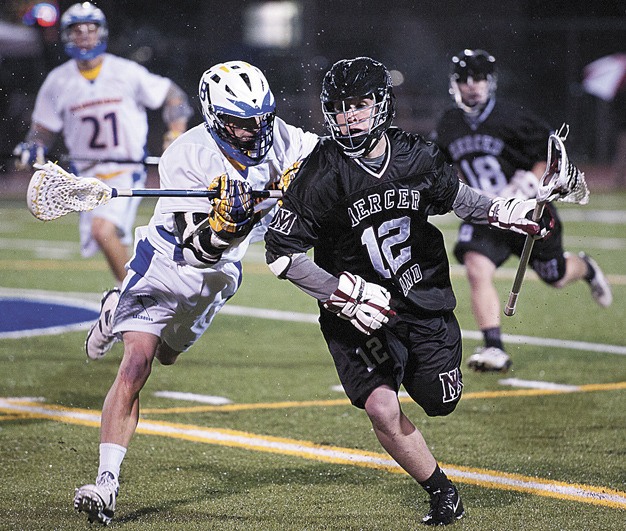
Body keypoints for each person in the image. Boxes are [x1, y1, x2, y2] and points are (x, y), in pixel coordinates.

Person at [264, 57, 553, 526]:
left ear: (381, 104)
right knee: (381, 404)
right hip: (357, 312)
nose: (348, 117)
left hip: (422, 298)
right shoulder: (319, 173)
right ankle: (441, 492)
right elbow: (281, 255)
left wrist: (499, 210)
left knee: (440, 401)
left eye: (358, 106)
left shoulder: (415, 153)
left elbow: (455, 197)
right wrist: (341, 294)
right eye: (338, 108)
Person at [73, 60, 318, 525]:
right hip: (168, 262)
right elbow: (199, 248)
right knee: (138, 362)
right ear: (213, 115)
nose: (253, 131)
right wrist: (231, 220)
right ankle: (106, 483)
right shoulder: (186, 155)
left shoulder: (280, 135)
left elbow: (327, 158)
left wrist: (307, 178)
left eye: (259, 119)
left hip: (219, 277)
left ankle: (112, 307)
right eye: (240, 123)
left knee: (167, 355)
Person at [431, 49, 613, 373]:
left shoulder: (511, 117)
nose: (470, 86)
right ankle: (493, 347)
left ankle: (584, 267)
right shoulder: (449, 123)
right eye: (463, 79)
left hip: (528, 212)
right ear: (453, 84)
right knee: (476, 266)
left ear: (490, 82)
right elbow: (444, 165)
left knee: (555, 276)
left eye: (478, 79)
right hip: (486, 213)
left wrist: (529, 180)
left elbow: (552, 153)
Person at [13, 2, 193, 285]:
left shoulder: (125, 71)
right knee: (109, 238)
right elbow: (41, 130)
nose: (84, 35)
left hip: (125, 169)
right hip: (85, 177)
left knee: (103, 230)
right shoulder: (57, 81)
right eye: (77, 30)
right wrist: (33, 146)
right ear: (66, 36)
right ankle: (142, 290)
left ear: (102, 33)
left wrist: (175, 133)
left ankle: (135, 299)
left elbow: (174, 95)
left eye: (90, 29)